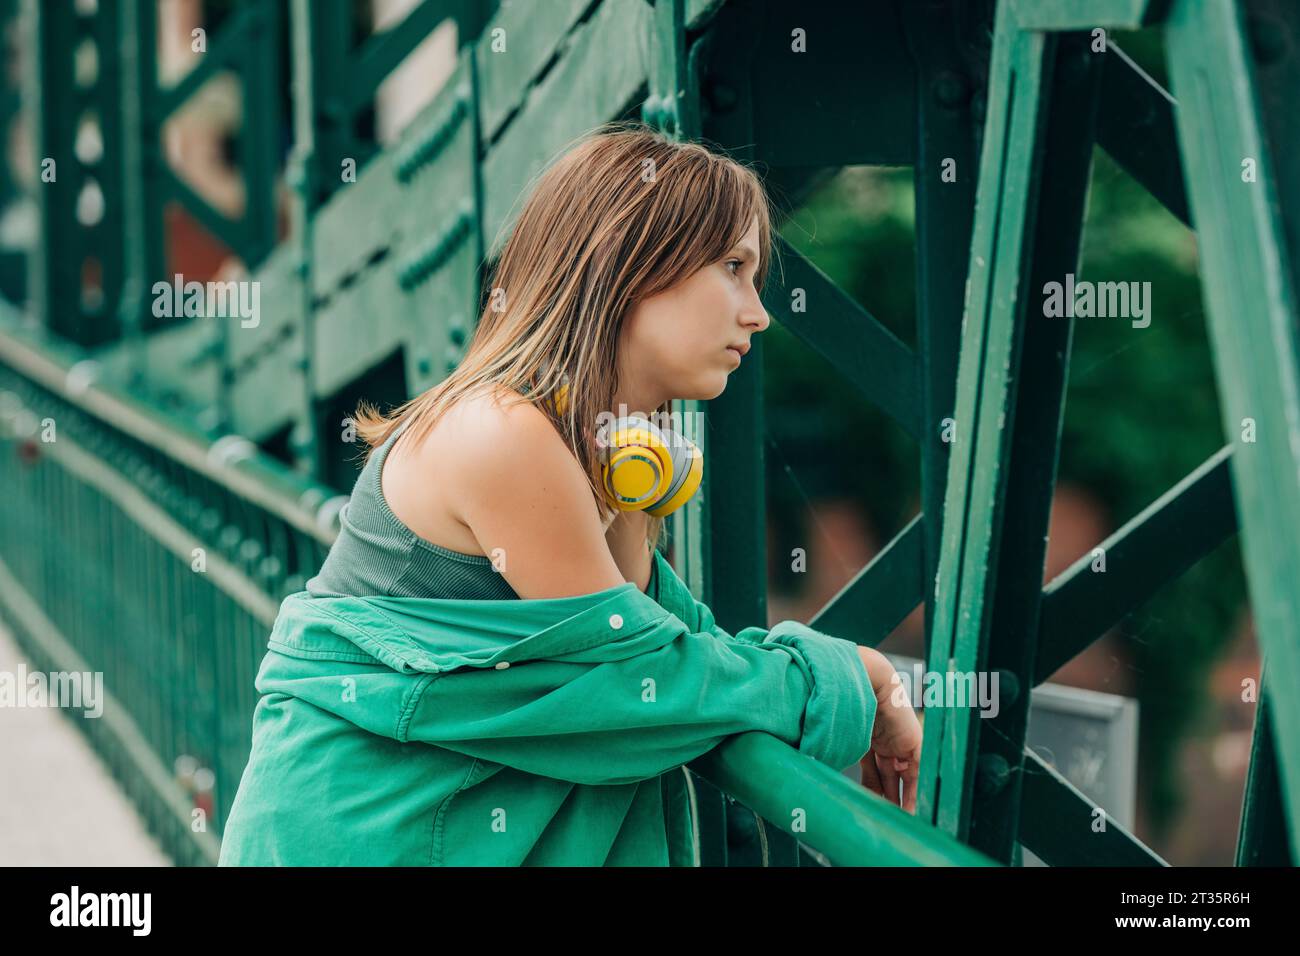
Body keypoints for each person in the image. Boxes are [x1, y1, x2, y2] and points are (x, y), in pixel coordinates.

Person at [218, 121, 921, 866]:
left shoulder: (590, 447)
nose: (758, 312)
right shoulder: (502, 434)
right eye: (733, 267)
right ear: (631, 262)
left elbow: (664, 654)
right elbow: (638, 689)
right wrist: (860, 678)